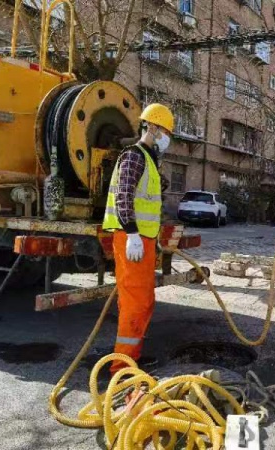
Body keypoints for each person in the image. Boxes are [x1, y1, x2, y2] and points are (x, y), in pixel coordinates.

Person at [102, 103, 174, 374]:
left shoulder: (149, 159)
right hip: (131, 238)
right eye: (165, 131)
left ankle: (133, 357)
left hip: (143, 240)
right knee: (134, 301)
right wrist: (132, 233)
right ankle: (121, 367)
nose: (167, 137)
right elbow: (123, 196)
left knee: (144, 300)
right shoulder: (134, 156)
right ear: (152, 127)